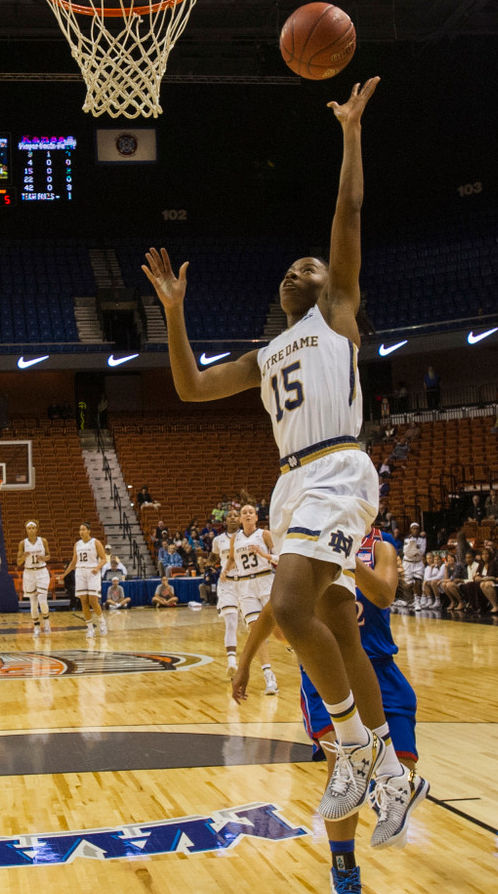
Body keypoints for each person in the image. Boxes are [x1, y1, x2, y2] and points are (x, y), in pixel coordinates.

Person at [143, 77, 405, 826]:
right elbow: (191, 386)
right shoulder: (265, 354)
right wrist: (175, 313)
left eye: (310, 267)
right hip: (292, 482)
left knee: (289, 607)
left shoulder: (340, 314)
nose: (300, 269)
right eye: (292, 269)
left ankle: (352, 749)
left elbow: (349, 213)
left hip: (338, 466)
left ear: (329, 286)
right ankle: (387, 765)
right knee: (335, 620)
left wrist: (351, 131)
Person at [231, 525, 429, 894]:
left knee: (402, 769)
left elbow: (384, 596)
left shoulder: (381, 548)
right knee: (345, 770)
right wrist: (246, 662)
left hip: (381, 672)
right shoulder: (305, 542)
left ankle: (391, 792)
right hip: (325, 677)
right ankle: (344, 872)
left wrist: (347, 560)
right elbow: (273, 610)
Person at [226, 502, 278, 695]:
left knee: (280, 630)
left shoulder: (265, 535)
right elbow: (232, 559)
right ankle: (269, 677)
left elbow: (279, 557)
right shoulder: (235, 539)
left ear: (256, 517)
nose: (247, 515)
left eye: (251, 512)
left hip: (266, 580)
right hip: (245, 586)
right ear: (240, 519)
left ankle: (296, 650)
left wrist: (263, 554)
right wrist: (225, 572)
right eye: (244, 513)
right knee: (256, 631)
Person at [207, 508, 242, 674]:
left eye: (236, 516)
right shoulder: (218, 540)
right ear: (225, 521)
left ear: (240, 519)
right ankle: (232, 662)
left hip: (246, 582)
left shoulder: (248, 537)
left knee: (255, 625)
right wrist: (206, 562)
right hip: (227, 583)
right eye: (230, 516)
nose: (233, 518)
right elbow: (214, 557)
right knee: (231, 621)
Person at [63, 522, 108, 638]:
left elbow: (103, 559)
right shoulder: (77, 544)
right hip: (80, 572)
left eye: (83, 529)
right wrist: (64, 575)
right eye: (80, 530)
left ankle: (102, 623)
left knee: (93, 600)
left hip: (92, 572)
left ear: (89, 531)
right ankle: (90, 628)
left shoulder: (95, 542)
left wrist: (97, 568)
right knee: (83, 601)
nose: (81, 532)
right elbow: (74, 562)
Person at [16, 519, 51, 636]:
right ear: (26, 530)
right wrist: (23, 557)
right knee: (33, 602)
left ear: (36, 529)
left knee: (42, 600)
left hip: (41, 571)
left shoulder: (43, 541)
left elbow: (48, 555)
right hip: (29, 573)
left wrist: (44, 558)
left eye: (32, 528)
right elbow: (18, 562)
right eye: (28, 528)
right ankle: (36, 627)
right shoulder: (22, 543)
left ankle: (46, 622)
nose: (31, 530)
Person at [402, 522, 426, 609]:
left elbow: (422, 552)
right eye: (414, 528)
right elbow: (406, 552)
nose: (415, 530)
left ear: (419, 530)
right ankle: (408, 599)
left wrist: (413, 550)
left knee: (418, 583)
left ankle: (418, 602)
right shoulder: (407, 539)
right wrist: (416, 550)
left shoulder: (423, 539)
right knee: (408, 585)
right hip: (408, 563)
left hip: (418, 563)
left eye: (417, 528)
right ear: (410, 530)